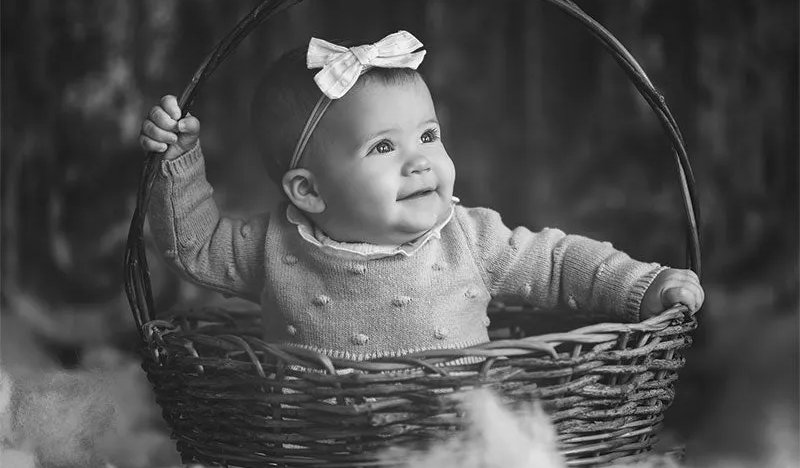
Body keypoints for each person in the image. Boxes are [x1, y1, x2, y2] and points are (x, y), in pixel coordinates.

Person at [140, 31, 704, 364]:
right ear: (308, 191)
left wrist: (642, 284)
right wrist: (178, 160)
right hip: (312, 449)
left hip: (451, 454)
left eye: (428, 135)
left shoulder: (472, 240)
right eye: (383, 146)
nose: (420, 161)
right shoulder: (276, 246)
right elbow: (193, 245)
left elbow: (559, 264)